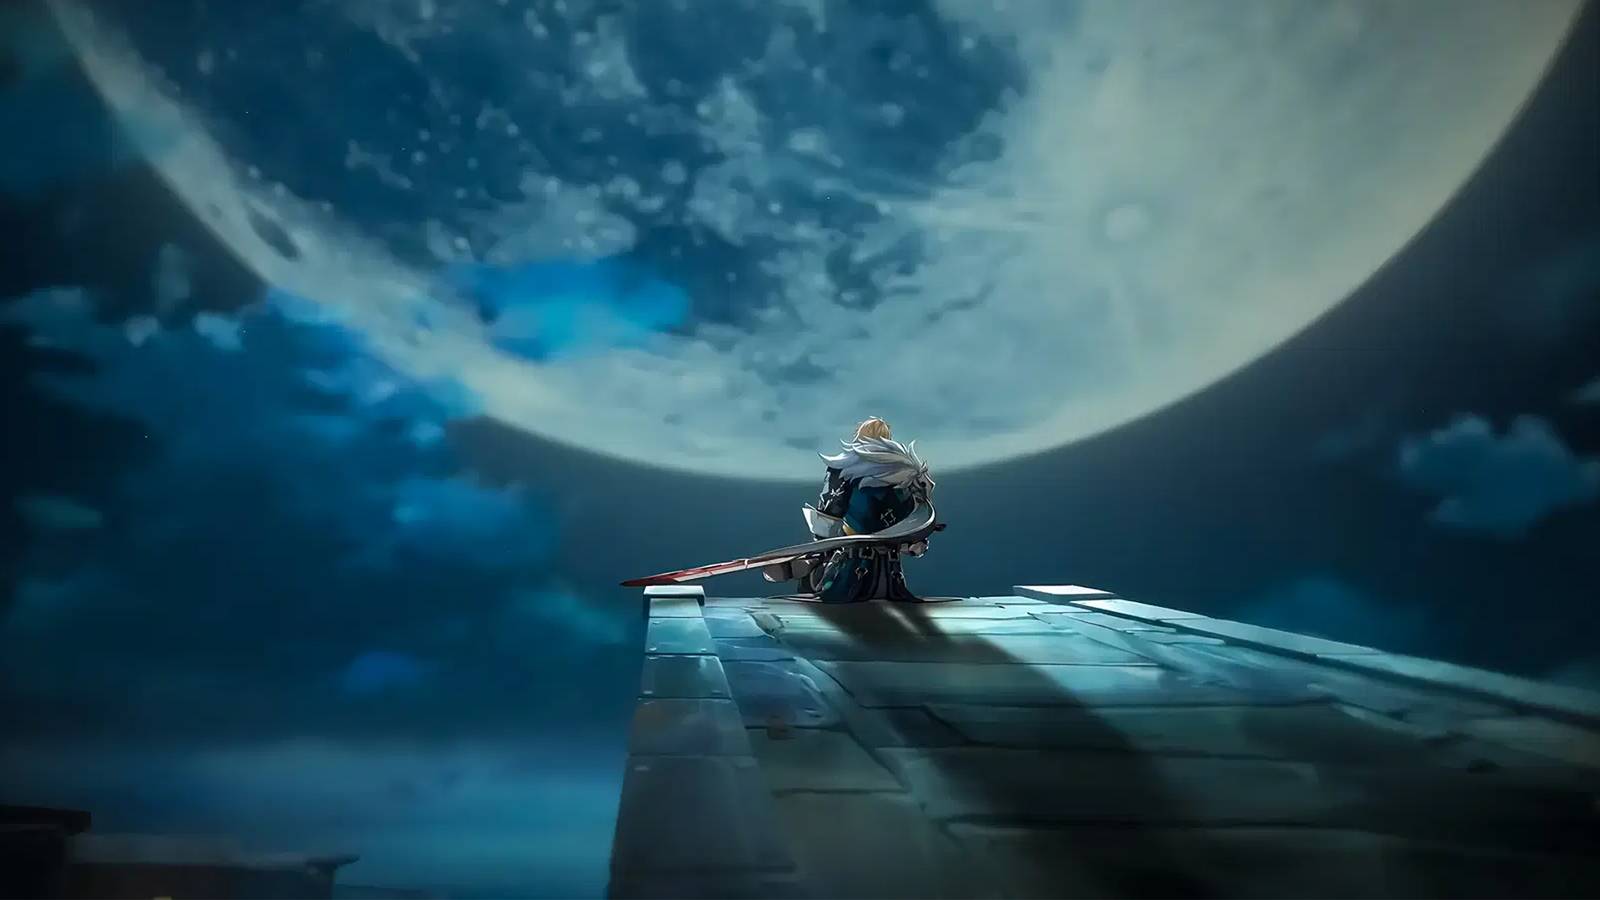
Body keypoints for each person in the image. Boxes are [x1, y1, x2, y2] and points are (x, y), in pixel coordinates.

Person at [807, 417, 935, 602]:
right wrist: (916, 542)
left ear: (859, 437)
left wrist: (821, 549)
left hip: (863, 567)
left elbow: (829, 514)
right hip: (883, 570)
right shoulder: (904, 471)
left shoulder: (844, 468)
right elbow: (915, 514)